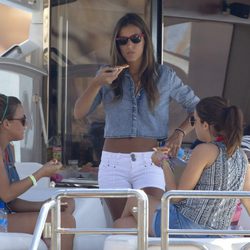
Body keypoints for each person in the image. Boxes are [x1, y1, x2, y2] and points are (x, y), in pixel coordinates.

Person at [74, 13, 199, 220]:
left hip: (151, 162)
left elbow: (197, 108)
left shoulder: (164, 75)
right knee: (123, 225)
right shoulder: (106, 75)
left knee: (145, 225)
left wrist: (179, 132)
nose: (129, 46)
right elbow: (79, 112)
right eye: (122, 41)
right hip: (113, 164)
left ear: (145, 39)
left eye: (135, 39)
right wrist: (96, 83)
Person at [113, 96, 250, 237]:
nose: (193, 126)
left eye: (194, 121)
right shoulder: (242, 156)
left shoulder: (204, 150)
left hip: (186, 227)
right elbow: (247, 196)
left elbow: (176, 196)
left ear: (205, 125)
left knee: (134, 199)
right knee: (122, 225)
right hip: (217, 233)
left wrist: (163, 162)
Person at [0, 94, 75, 250]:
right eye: (22, 120)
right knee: (64, 221)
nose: (26, 125)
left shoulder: (8, 149)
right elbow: (6, 194)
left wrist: (46, 205)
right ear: (6, 123)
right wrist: (40, 174)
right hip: (2, 221)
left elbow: (11, 202)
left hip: (5, 216)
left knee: (67, 205)